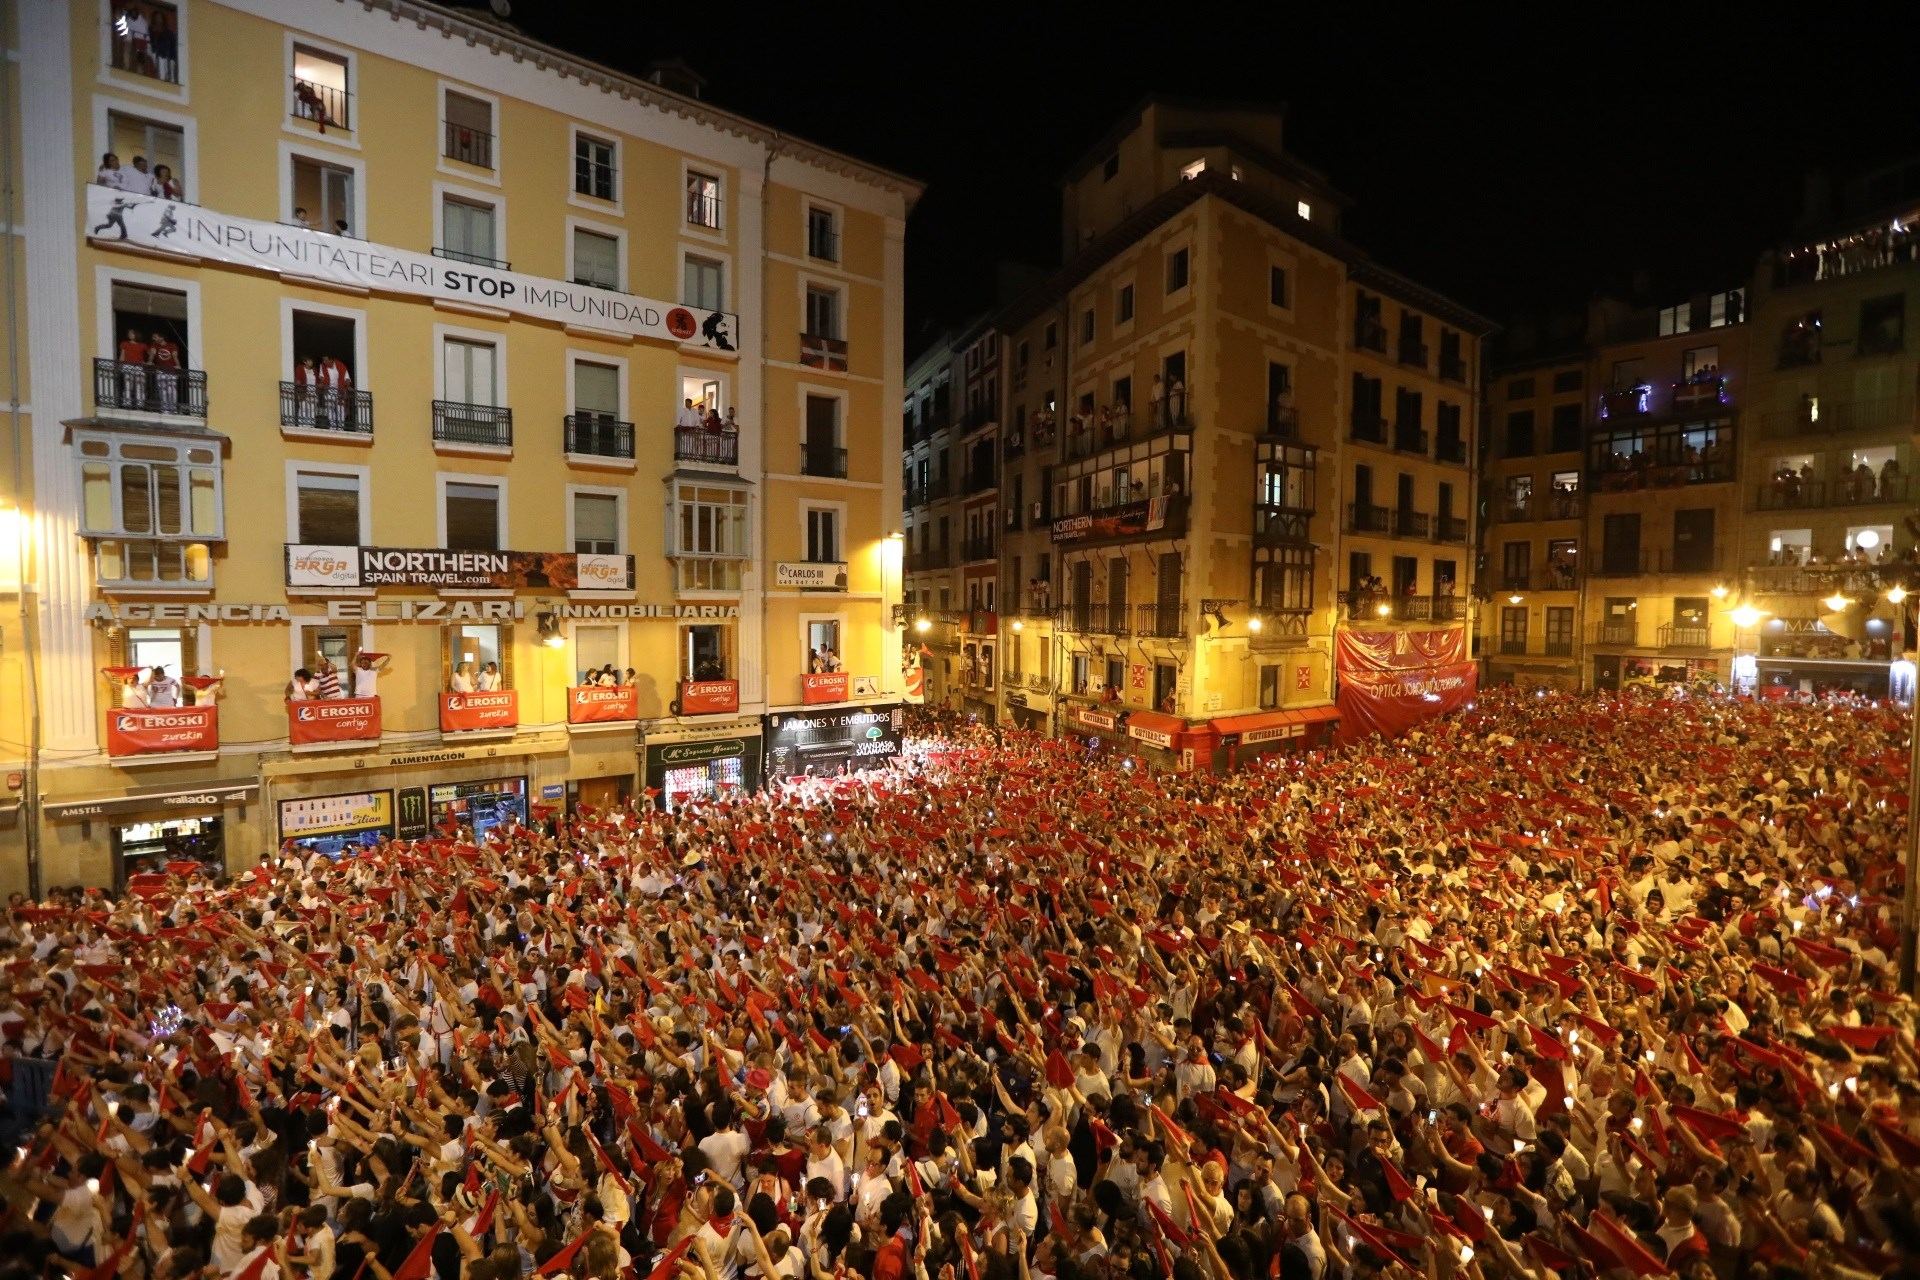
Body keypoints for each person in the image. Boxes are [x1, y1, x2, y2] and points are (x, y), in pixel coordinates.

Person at [146, 328, 183, 414]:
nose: (153, 339)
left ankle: (173, 409)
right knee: (162, 390)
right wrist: (150, 361)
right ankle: (165, 409)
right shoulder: (154, 346)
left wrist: (178, 365)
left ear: (161, 337)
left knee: (171, 390)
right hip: (160, 371)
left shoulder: (172, 345)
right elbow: (152, 354)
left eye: (155, 337)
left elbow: (174, 356)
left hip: (171, 371)